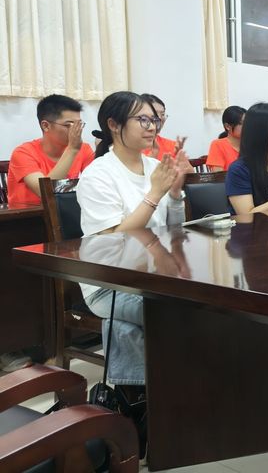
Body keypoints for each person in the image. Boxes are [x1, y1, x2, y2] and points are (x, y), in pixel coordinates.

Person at [75, 91, 190, 395]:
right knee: (183, 312)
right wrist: (155, 194)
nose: (152, 127)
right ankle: (167, 394)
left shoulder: (154, 167)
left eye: (154, 120)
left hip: (153, 275)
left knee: (206, 305)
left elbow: (173, 230)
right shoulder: (98, 175)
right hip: (109, 283)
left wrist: (174, 194)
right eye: (143, 120)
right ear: (114, 124)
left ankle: (153, 396)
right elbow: (115, 241)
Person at [7, 94, 94, 205]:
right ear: (46, 126)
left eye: (79, 125)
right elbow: (45, 192)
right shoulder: (23, 153)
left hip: (66, 211)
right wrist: (72, 150)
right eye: (69, 125)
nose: (77, 131)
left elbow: (97, 184)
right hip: (31, 214)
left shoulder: (84, 149)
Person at [140, 93, 186, 159]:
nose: (159, 118)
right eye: (154, 113)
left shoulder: (173, 146)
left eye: (162, 114)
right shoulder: (131, 147)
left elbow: (183, 165)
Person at [206, 105, 246, 171]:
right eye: (241, 123)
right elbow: (218, 175)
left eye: (247, 123)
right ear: (227, 126)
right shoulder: (218, 145)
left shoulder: (250, 144)